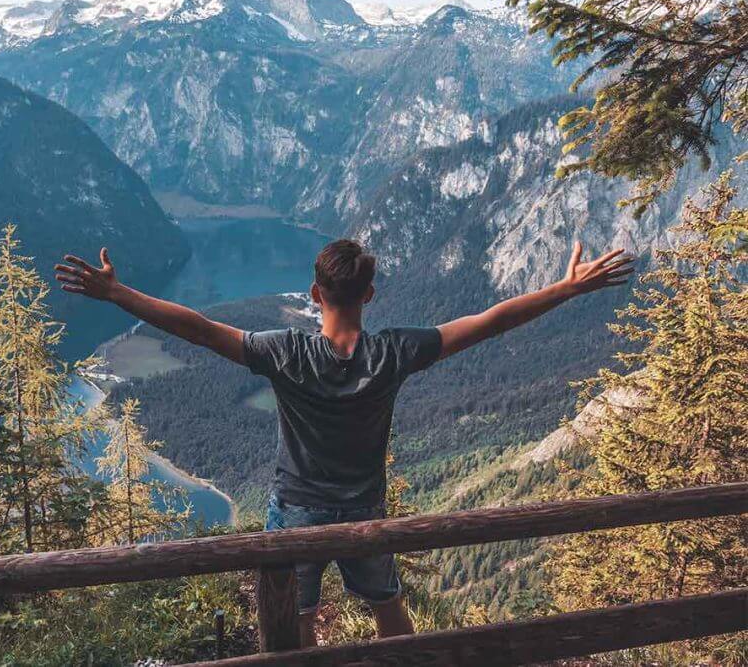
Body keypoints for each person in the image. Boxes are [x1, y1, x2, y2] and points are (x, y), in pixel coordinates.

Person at [54, 238, 633, 646]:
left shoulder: (286, 352)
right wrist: (565, 289)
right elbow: (490, 321)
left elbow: (197, 329)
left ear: (314, 292)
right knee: (387, 607)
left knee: (295, 613)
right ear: (371, 294)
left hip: (296, 509)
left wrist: (119, 295)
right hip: (364, 510)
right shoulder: (394, 354)